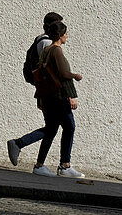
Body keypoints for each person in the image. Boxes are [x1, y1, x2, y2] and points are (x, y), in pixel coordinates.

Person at [6, 12, 63, 166]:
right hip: (50, 93)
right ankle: (19, 144)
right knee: (57, 127)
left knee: (52, 128)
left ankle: (39, 163)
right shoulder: (45, 43)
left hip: (46, 92)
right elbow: (46, 72)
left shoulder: (41, 41)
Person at [32, 20, 85, 178]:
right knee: (69, 127)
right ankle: (64, 165)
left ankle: (40, 164)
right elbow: (63, 74)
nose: (67, 36)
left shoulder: (46, 50)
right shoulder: (56, 50)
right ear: (60, 35)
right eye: (66, 33)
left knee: (51, 130)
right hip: (59, 97)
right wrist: (76, 76)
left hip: (48, 96)